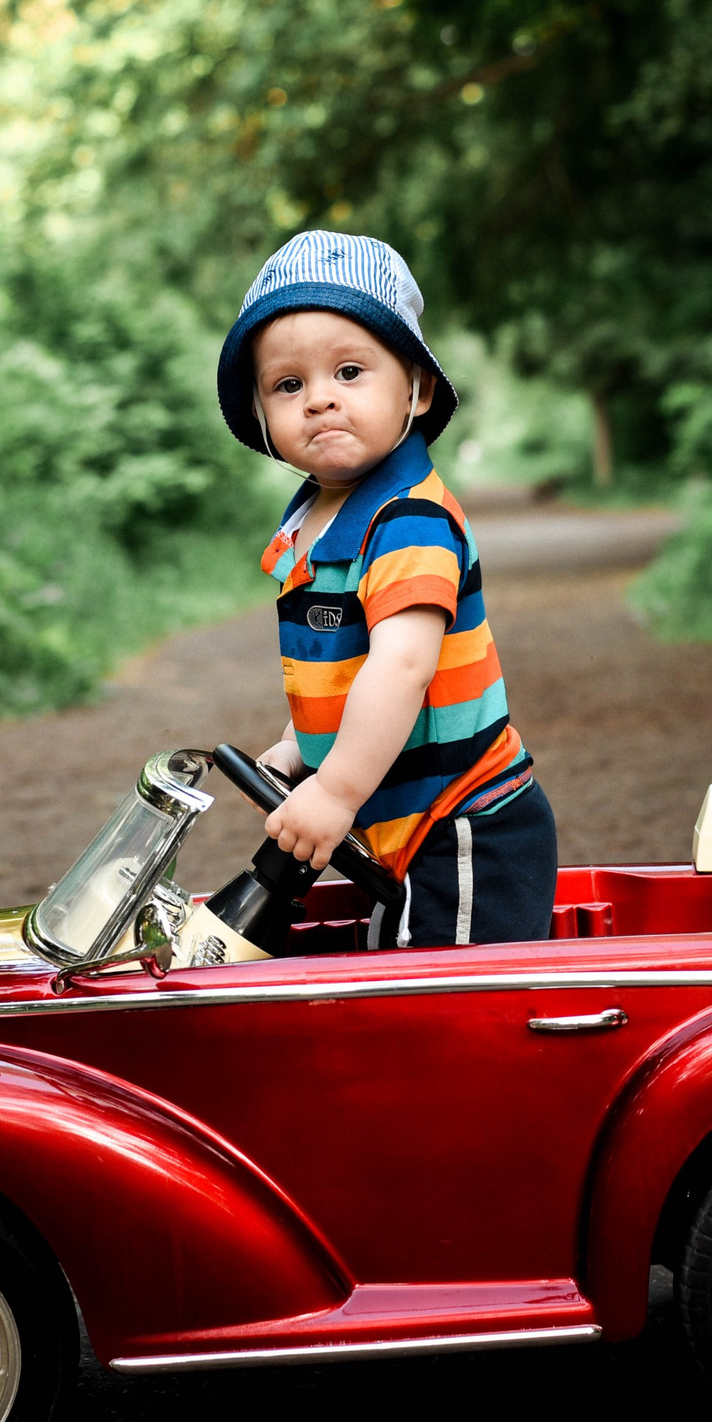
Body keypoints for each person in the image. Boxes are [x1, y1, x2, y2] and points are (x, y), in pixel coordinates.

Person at [214, 230, 559, 948]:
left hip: (463, 824)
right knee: (389, 959)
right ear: (262, 413)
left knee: (446, 997)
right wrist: (299, 748)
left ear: (417, 387)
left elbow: (400, 665)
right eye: (289, 384)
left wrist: (336, 789)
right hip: (400, 822)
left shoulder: (408, 519)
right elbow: (339, 658)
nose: (319, 401)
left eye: (349, 372)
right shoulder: (312, 513)